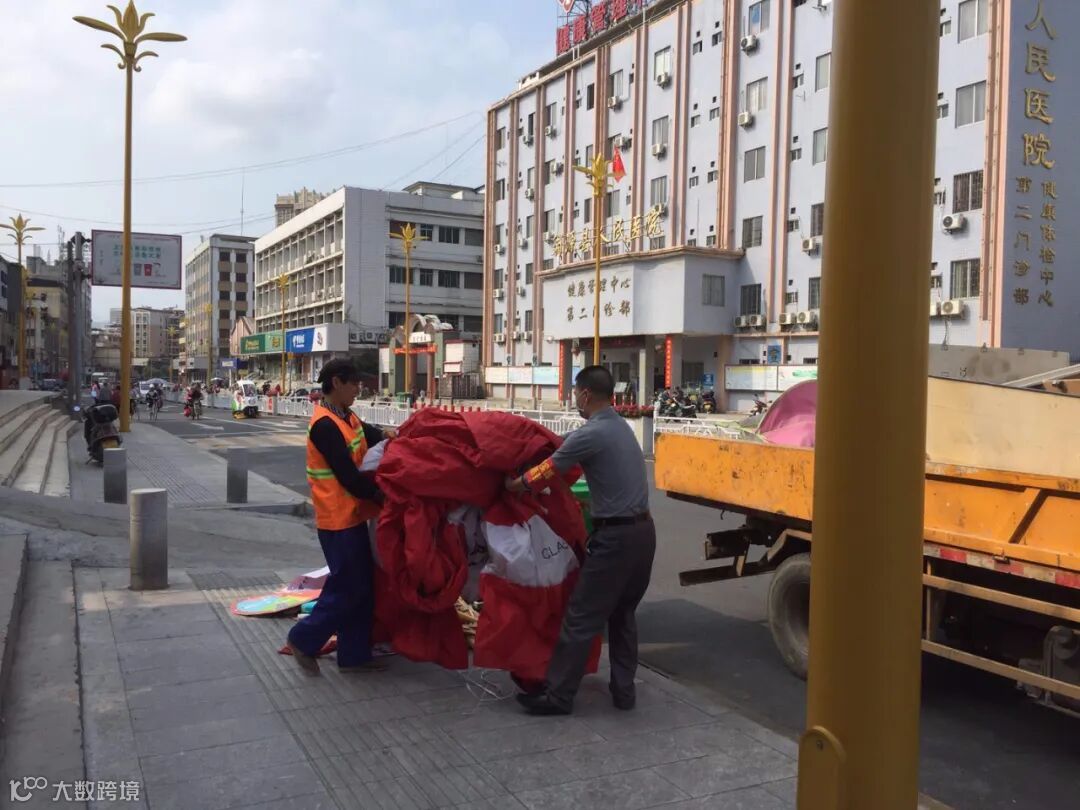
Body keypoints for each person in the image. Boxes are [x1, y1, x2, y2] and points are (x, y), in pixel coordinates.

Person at [505, 365, 655, 716]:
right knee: (623, 615)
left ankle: (558, 697)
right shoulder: (620, 427)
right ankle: (624, 692)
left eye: (575, 393)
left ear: (585, 394)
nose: (575, 399)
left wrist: (514, 486)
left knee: (582, 615)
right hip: (643, 535)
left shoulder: (592, 433)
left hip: (616, 540)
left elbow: (547, 470)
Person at [286, 358, 397, 675]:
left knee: (362, 586)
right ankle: (303, 638)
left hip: (352, 516)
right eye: (354, 384)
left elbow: (367, 434)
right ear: (336, 382)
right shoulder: (324, 425)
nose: (358, 390)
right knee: (348, 587)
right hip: (336, 520)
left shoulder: (345, 416)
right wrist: (384, 497)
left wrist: (390, 435)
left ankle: (354, 655)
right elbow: (348, 477)